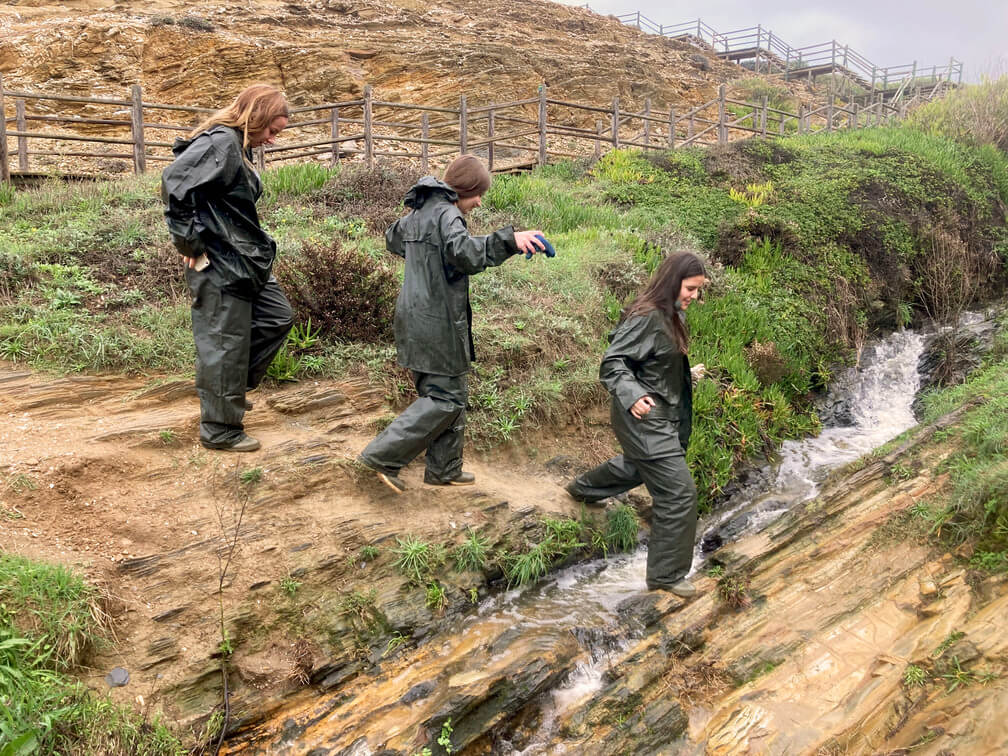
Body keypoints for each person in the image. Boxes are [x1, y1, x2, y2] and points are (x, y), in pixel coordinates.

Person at [359, 154, 547, 493]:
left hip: (414, 317)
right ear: (467, 188)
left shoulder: (420, 212)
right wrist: (510, 241)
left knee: (449, 392)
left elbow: (393, 238)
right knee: (445, 398)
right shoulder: (448, 214)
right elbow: (467, 255)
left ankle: (444, 469)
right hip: (437, 321)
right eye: (478, 194)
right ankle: (382, 455)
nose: (478, 202)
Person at [161, 84, 294, 452]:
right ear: (256, 117)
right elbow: (175, 183)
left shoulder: (236, 145)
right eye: (271, 130)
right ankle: (220, 429)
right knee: (224, 343)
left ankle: (226, 391)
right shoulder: (221, 141)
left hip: (243, 262)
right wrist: (191, 246)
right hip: (219, 262)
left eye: (277, 134)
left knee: (277, 317)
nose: (272, 139)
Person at [566, 251, 707, 598]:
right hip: (642, 417)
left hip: (658, 415)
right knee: (678, 493)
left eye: (699, 290)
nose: (694, 296)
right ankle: (665, 576)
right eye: (690, 288)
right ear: (674, 282)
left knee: (641, 466)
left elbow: (652, 364)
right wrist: (632, 395)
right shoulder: (648, 317)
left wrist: (681, 376)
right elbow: (613, 363)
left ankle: (583, 489)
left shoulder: (671, 315)